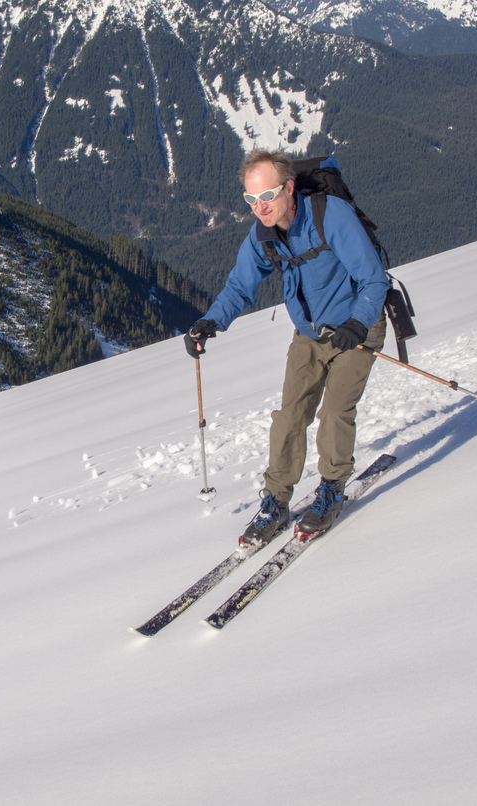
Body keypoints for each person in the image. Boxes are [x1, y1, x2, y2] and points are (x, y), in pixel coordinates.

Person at [184, 149, 389, 546]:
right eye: (251, 199)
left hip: (356, 328)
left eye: (267, 196)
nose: (259, 207)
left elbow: (374, 279)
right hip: (309, 335)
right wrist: (211, 322)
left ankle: (332, 488)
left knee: (335, 412)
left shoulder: (330, 216)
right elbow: (240, 286)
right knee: (289, 417)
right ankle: (276, 500)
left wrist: (357, 323)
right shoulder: (263, 235)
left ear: (289, 189)